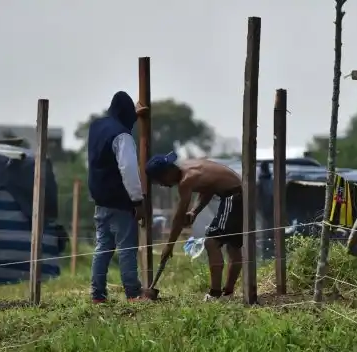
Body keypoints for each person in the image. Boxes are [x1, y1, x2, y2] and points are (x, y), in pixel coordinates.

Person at [145, 153, 243, 300]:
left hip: (234, 196)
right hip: (238, 193)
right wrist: (194, 211)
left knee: (212, 242)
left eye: (160, 181)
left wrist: (169, 246)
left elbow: (179, 216)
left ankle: (215, 294)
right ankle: (228, 293)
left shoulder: (186, 180)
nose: (163, 185)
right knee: (233, 246)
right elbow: (208, 189)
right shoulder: (189, 167)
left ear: (167, 173)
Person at [87, 91, 149, 303]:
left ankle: (97, 295)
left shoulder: (97, 127)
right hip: (120, 200)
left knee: (103, 247)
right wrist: (137, 200)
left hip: (100, 198)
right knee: (126, 248)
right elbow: (128, 170)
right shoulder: (123, 136)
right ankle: (133, 293)